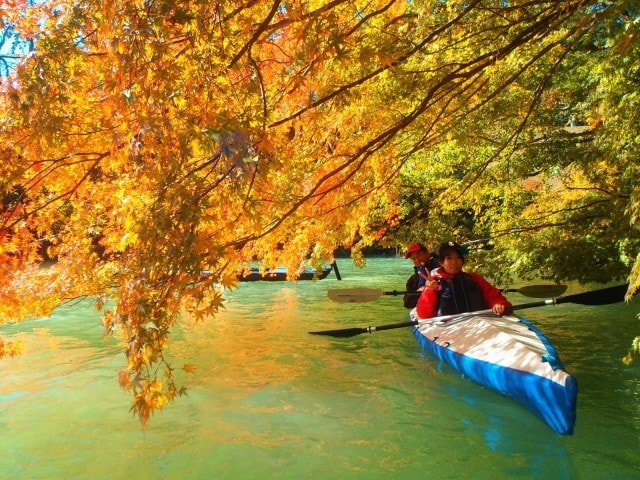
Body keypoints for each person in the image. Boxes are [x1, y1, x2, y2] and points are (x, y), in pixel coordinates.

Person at [416, 241, 511, 318]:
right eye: (449, 258)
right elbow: (424, 315)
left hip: (479, 322)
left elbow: (495, 297)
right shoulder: (434, 282)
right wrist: (429, 291)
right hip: (449, 328)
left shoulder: (474, 278)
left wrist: (498, 304)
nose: (454, 262)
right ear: (441, 262)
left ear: (462, 261)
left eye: (458, 258)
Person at [403, 243, 440, 309]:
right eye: (414, 259)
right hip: (426, 310)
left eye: (419, 255)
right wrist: (418, 292)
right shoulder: (413, 280)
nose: (417, 260)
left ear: (427, 253)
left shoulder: (442, 267)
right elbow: (407, 304)